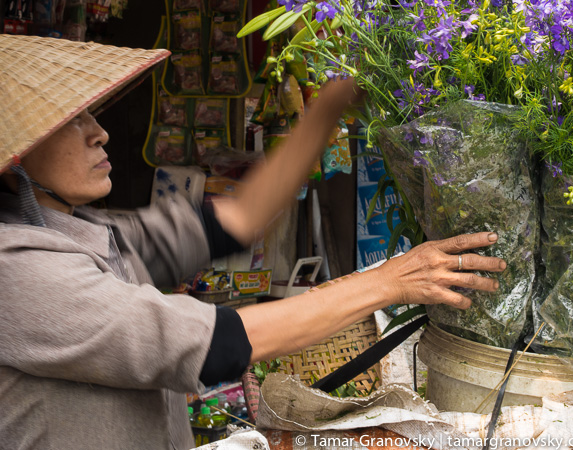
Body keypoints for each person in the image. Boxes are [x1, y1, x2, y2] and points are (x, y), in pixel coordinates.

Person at [0, 35, 506, 450]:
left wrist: (326, 109)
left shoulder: (88, 231)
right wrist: (393, 281)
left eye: (91, 115)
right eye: (73, 122)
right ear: (14, 157)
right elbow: (220, 341)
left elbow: (240, 218)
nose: (100, 133)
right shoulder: (17, 273)